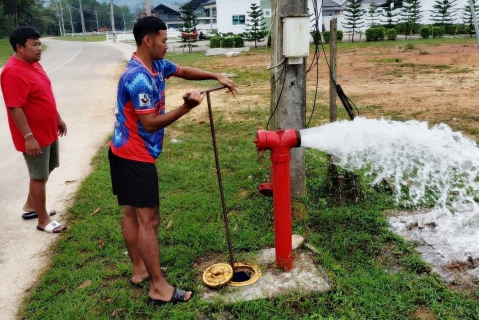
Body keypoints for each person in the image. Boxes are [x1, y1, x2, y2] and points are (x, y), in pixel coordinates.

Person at [108, 16, 237, 305]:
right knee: (148, 220)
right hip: (135, 155)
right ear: (148, 41)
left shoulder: (156, 65)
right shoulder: (137, 77)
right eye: (164, 40)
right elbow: (151, 123)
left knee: (132, 214)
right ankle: (158, 287)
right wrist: (186, 107)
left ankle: (140, 270)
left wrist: (215, 75)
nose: (168, 45)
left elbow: (183, 70)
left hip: (124, 149)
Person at [1, 26, 67, 233]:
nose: (39, 48)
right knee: (38, 176)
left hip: (47, 129)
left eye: (39, 43)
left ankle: (31, 206)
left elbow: (44, 94)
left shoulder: (34, 64)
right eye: (34, 44)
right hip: (34, 135)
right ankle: (42, 219)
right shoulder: (12, 72)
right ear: (20, 48)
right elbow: (15, 107)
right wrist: (28, 137)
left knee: (49, 167)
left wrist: (57, 118)